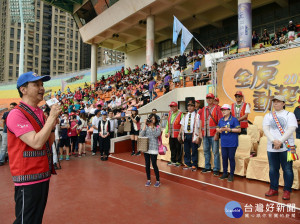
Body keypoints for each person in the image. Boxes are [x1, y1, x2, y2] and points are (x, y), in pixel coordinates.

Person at [6, 71, 61, 223]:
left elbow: (47, 143)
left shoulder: (40, 113)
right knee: (25, 220)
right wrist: (50, 120)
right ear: (23, 90)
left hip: (43, 175)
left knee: (36, 219)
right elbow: (36, 143)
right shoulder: (16, 114)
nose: (41, 88)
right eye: (36, 84)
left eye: (42, 84)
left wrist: (51, 125)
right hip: (27, 178)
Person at [263, 95, 298, 200]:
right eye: (274, 102)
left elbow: (291, 129)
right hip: (272, 147)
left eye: (278, 101)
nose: (276, 103)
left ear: (283, 103)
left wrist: (280, 141)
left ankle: (287, 190)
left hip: (287, 147)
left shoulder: (289, 115)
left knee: (287, 169)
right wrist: (274, 141)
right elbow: (265, 129)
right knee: (273, 169)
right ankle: (273, 188)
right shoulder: (268, 115)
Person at [199, 93, 223, 176]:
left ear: (213, 99)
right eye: (207, 98)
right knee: (206, 151)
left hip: (213, 134)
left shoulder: (218, 108)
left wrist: (217, 133)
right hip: (205, 134)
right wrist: (200, 132)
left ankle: (216, 168)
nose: (209, 99)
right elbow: (201, 121)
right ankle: (207, 167)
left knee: (215, 152)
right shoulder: (203, 109)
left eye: (210, 98)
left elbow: (220, 121)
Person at [216, 104, 241, 182]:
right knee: (224, 158)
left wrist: (229, 129)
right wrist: (218, 130)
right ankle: (225, 173)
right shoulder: (221, 120)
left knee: (231, 158)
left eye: (225, 110)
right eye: (222, 110)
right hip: (224, 142)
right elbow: (217, 127)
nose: (223, 111)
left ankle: (232, 174)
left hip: (232, 142)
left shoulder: (234, 120)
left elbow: (239, 130)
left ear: (230, 110)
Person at [140, 114, 161, 187]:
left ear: (155, 120)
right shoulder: (147, 127)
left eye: (153, 118)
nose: (152, 120)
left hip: (154, 148)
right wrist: (145, 125)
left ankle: (158, 180)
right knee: (147, 164)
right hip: (147, 148)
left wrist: (152, 127)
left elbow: (156, 135)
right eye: (151, 118)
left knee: (154, 164)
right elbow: (141, 134)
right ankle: (148, 179)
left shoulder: (157, 127)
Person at [179, 100, 200, 171]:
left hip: (193, 134)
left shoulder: (197, 115)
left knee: (194, 150)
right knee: (186, 149)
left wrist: (199, 137)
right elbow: (182, 125)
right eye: (188, 106)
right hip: (186, 135)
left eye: (191, 106)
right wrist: (180, 134)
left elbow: (199, 127)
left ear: (194, 107)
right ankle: (187, 163)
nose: (190, 107)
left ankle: (194, 164)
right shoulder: (185, 115)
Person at [165, 101, 184, 167]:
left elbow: (182, 124)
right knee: (172, 147)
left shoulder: (181, 114)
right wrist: (166, 132)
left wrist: (180, 134)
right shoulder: (170, 113)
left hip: (177, 134)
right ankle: (173, 160)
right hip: (171, 134)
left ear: (176, 107)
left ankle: (179, 161)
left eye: (173, 106)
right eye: (171, 107)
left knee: (178, 148)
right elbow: (168, 123)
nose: (172, 108)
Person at [0, 102, 17, 166]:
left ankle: (12, 160)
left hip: (14, 133)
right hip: (6, 132)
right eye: (10, 107)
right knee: (3, 146)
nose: (11, 108)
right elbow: (3, 121)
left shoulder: (17, 114)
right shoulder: (6, 113)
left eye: (12, 107)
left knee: (13, 147)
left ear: (15, 107)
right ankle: (1, 160)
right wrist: (4, 128)